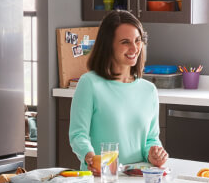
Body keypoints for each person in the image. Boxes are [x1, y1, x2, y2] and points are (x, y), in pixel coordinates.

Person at [68, 10, 169, 173]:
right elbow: (78, 135)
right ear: (108, 45)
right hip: (100, 179)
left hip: (138, 178)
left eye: (138, 40)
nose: (134, 48)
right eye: (125, 42)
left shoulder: (148, 90)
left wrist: (153, 154)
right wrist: (90, 158)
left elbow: (150, 139)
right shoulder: (90, 84)